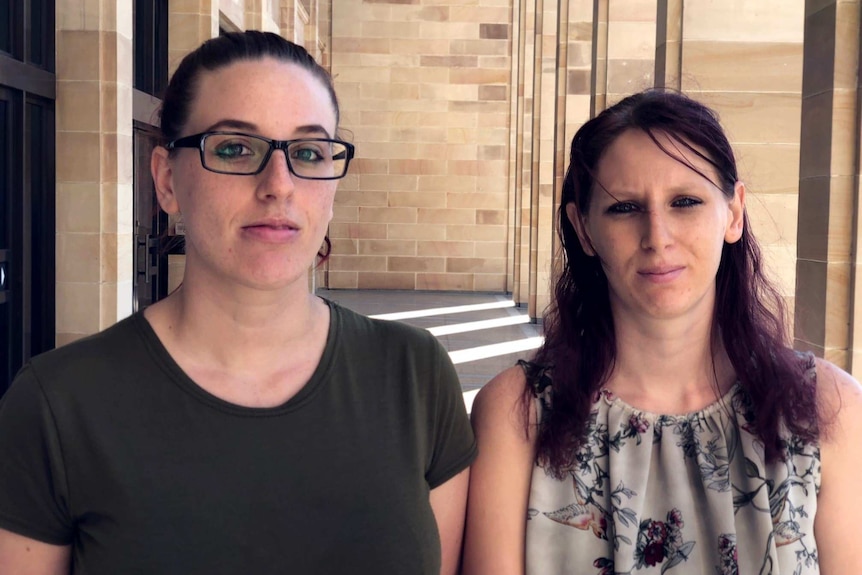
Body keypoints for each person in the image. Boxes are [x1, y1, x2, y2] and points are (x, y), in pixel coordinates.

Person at [0, 31, 475, 574]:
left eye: (309, 152)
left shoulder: (413, 375)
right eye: (234, 148)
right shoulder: (57, 406)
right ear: (166, 180)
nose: (279, 184)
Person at [462, 89, 862, 574]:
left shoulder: (828, 408)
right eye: (625, 208)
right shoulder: (516, 414)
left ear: (733, 212)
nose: (658, 237)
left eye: (685, 201)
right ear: (583, 229)